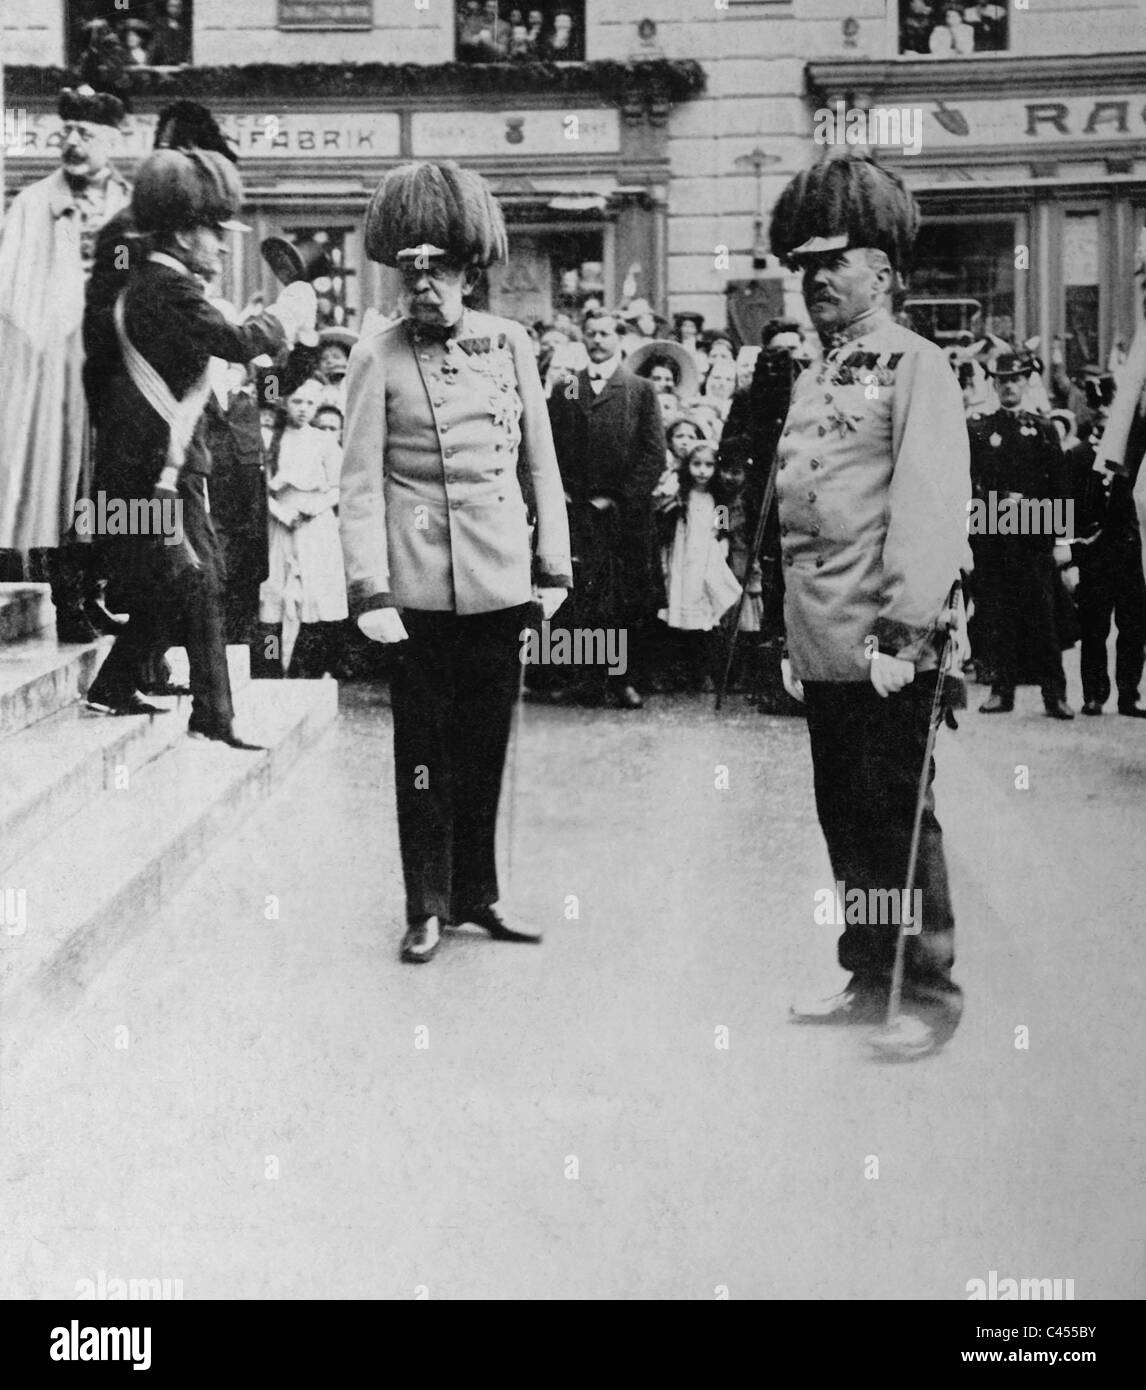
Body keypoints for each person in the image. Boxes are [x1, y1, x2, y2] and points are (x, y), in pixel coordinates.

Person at [340, 160, 572, 965]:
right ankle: (426, 903)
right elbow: (359, 485)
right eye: (411, 270)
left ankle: (479, 894)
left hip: (502, 581)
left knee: (485, 746)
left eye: (438, 268)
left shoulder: (510, 344)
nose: (423, 284)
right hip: (415, 590)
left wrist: (553, 571)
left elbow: (539, 464)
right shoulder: (376, 357)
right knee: (424, 756)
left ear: (470, 271)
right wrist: (369, 588)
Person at [769, 151, 971, 1060]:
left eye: (833, 262)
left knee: (897, 814)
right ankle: (866, 976)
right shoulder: (818, 371)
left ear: (882, 271)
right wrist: (791, 633)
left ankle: (926, 989)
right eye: (803, 266)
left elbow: (928, 508)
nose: (814, 279)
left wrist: (902, 630)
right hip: (824, 641)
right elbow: (801, 510)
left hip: (890, 645)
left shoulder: (916, 363)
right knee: (843, 814)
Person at [83, 147, 316, 744]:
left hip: (166, 470)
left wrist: (298, 337)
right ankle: (214, 718)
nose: (222, 246)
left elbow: (254, 375)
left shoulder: (161, 285)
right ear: (186, 234)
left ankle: (114, 685)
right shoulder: (165, 287)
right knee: (197, 580)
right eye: (215, 234)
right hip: (152, 476)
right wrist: (291, 308)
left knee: (181, 581)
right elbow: (240, 342)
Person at [0, 86, 132, 638]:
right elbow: (10, 292)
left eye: (87, 133)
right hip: (56, 366)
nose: (73, 143)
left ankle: (95, 588)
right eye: (68, 132)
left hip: (118, 364)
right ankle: (66, 599)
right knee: (60, 483)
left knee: (108, 484)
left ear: (114, 139)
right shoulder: (34, 205)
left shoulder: (131, 205)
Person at [547, 307, 665, 708]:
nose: (597, 340)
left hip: (625, 519)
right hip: (578, 512)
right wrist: (560, 493)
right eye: (591, 333)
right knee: (581, 596)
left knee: (626, 598)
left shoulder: (640, 390)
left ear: (619, 339)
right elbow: (550, 448)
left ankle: (623, 680)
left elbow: (653, 455)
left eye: (605, 334)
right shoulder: (565, 387)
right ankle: (585, 679)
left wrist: (618, 499)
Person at [967, 352, 1075, 719]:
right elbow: (970, 485)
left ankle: (1054, 694)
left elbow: (1060, 487)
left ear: (1027, 382)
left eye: (1016, 379)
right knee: (998, 616)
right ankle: (1002, 690)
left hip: (1034, 538)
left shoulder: (1043, 429)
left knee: (1043, 618)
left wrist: (1062, 542)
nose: (1009, 385)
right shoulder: (980, 428)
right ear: (994, 384)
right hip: (996, 537)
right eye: (1002, 379)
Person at [259, 379, 348, 677]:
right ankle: (271, 665)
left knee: (314, 593)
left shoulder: (323, 441)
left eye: (310, 403)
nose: (303, 409)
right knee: (275, 591)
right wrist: (281, 512)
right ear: (285, 402)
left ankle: (307, 667)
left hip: (315, 525)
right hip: (280, 522)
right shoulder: (273, 439)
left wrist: (316, 507)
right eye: (297, 402)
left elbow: (338, 487)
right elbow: (262, 489)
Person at [1066, 396, 1146, 717]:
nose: (1102, 412)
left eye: (1109, 405)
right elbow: (1067, 509)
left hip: (1127, 552)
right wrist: (1072, 555)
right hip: (1094, 552)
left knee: (1134, 625)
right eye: (1096, 407)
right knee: (1094, 627)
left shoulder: (1135, 452)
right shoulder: (1078, 454)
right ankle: (1094, 694)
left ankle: (1129, 694)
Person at [654, 439, 741, 692]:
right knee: (676, 610)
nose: (702, 470)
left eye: (708, 465)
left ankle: (700, 673)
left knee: (703, 615)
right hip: (681, 558)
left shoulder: (719, 500)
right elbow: (669, 525)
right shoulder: (680, 495)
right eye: (696, 464)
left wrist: (719, 551)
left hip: (705, 560)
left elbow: (722, 530)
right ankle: (672, 672)